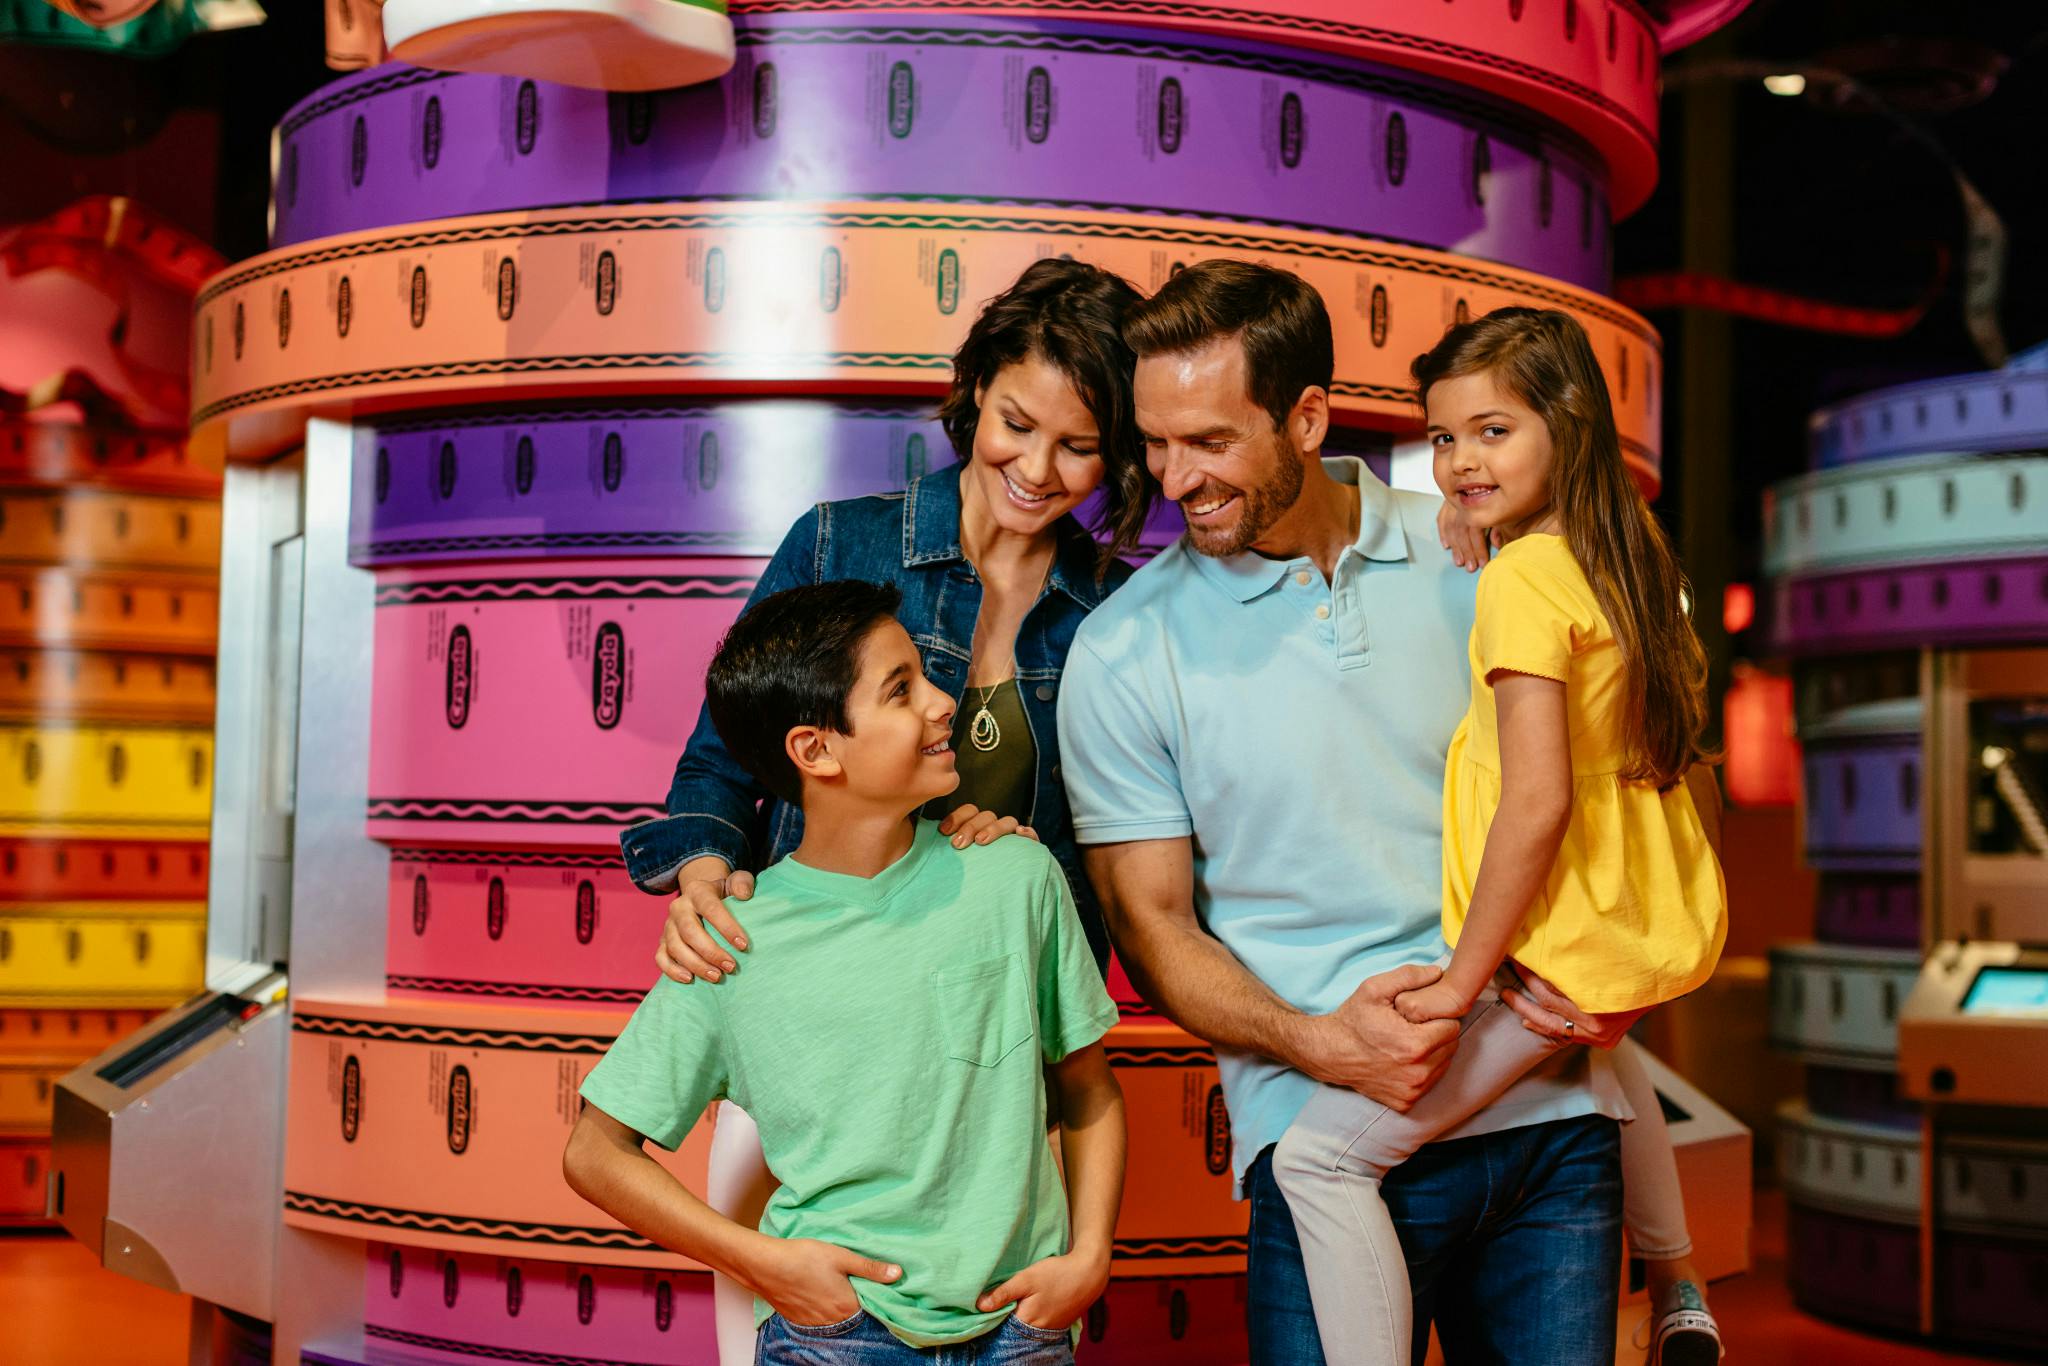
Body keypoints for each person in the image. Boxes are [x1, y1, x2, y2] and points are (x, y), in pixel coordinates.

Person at [1057, 261, 1639, 1366]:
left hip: (1551, 1119)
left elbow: (1619, 776)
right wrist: (1318, 1043)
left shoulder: (1480, 553)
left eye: (1212, 442)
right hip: (1323, 1140)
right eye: (1155, 442)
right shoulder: (1122, 650)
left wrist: (1619, 969)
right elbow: (1153, 926)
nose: (1176, 479)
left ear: (1308, 416)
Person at [618, 259, 1152, 1360]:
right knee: (782, 1316)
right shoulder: (840, 545)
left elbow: (1111, 841)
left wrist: (1019, 847)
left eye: (1079, 444)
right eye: (1014, 423)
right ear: (972, 394)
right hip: (819, 1025)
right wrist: (706, 874)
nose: (1037, 468)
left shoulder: (1112, 607)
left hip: (982, 1052)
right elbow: (728, 752)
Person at [1269, 307, 1728, 1366]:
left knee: (1318, 1166)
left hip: (1547, 939)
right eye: (1440, 438)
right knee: (1605, 1074)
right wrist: (1487, 520)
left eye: (1491, 432)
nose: (1459, 462)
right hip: (1623, 921)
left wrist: (1460, 978)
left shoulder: (1523, 581)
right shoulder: (1625, 552)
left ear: (1563, 428)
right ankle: (1679, 1286)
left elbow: (1535, 801)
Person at [566, 581, 1127, 1364]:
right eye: (902, 690)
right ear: (815, 750)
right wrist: (761, 1260)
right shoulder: (735, 938)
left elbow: (1090, 1088)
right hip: (836, 1335)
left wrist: (1089, 1256)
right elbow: (595, 1153)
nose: (942, 703)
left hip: (1020, 1329)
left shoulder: (1014, 876)